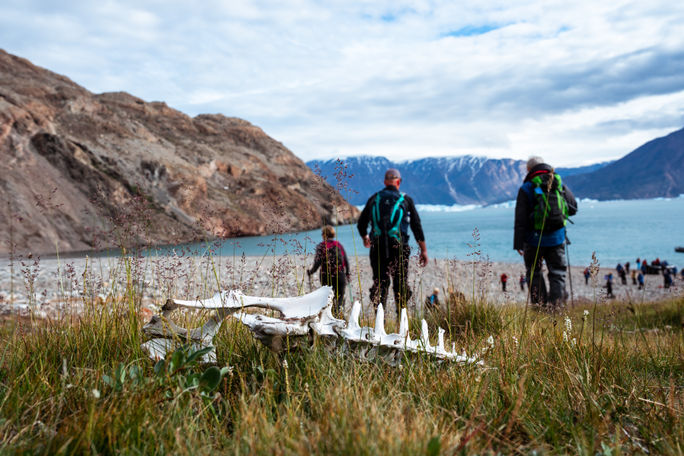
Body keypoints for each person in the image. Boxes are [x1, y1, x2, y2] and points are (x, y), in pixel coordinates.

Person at [357, 168, 428, 318]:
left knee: (380, 283)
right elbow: (416, 226)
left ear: (384, 182)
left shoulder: (374, 198)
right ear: (398, 182)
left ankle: (379, 323)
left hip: (377, 247)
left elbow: (361, 223)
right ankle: (401, 322)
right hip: (399, 248)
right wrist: (424, 251)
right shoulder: (406, 199)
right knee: (400, 283)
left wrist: (365, 237)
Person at [514, 157, 577, 308]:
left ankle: (540, 307)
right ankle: (557, 307)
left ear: (529, 170)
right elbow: (573, 208)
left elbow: (520, 219)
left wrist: (518, 244)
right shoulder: (558, 183)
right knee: (557, 272)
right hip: (557, 238)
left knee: (534, 272)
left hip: (533, 239)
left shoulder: (527, 187)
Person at [307, 225, 350, 316]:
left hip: (326, 276)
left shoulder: (321, 246)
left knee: (327, 299)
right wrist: (347, 274)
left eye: (322, 233)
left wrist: (310, 272)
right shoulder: (338, 245)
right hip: (340, 275)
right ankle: (339, 316)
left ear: (324, 235)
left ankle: (329, 318)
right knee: (340, 298)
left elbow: (317, 263)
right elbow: (345, 261)